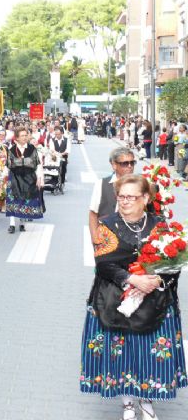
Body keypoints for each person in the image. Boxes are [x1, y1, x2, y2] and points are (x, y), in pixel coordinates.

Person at [81, 174, 187, 419]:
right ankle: (128, 402)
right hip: (115, 299)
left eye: (131, 196)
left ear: (146, 198)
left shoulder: (161, 225)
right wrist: (132, 279)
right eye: (121, 196)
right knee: (123, 351)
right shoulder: (107, 224)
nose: (125, 201)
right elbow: (103, 263)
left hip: (155, 300)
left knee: (148, 352)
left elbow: (174, 264)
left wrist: (157, 280)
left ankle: (147, 402)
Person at [89, 147, 137, 243]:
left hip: (132, 240)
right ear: (114, 165)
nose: (130, 166)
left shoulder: (139, 185)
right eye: (125, 163)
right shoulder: (101, 184)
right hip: (107, 240)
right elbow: (93, 215)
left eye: (132, 163)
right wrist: (95, 240)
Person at [6, 126, 44, 233]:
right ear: (16, 138)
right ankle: (12, 224)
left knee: (24, 200)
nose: (24, 137)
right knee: (13, 200)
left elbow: (37, 164)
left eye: (25, 135)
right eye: (22, 135)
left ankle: (22, 224)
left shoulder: (32, 149)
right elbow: (8, 165)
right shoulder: (12, 150)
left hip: (29, 177)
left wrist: (39, 178)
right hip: (14, 177)